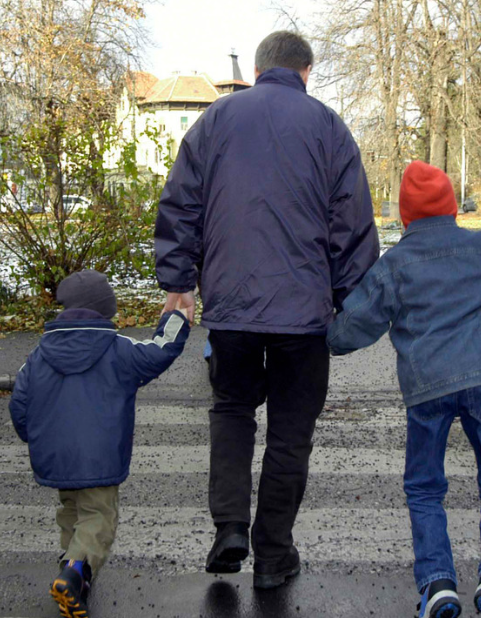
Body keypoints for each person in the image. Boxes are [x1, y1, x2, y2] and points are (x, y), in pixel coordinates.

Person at [153, 30, 379, 589]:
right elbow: (350, 226)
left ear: (258, 71)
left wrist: (179, 280)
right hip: (303, 318)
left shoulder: (213, 122)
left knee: (231, 411)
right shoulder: (328, 127)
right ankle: (274, 554)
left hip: (229, 309)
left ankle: (229, 527)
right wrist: (353, 303)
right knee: (289, 432)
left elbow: (180, 204)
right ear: (305, 71)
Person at [327, 161, 481, 618]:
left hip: (425, 388)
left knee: (425, 488)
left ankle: (437, 586)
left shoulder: (395, 266)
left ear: (406, 217)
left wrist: (323, 328)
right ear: (451, 207)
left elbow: (349, 331)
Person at [9, 269, 191, 617]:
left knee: (71, 513)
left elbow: (20, 403)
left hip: (56, 456)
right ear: (106, 310)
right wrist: (176, 318)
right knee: (98, 518)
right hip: (99, 457)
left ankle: (74, 574)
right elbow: (159, 351)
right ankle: (76, 571)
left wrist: (35, 439)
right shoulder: (117, 349)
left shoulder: (38, 355)